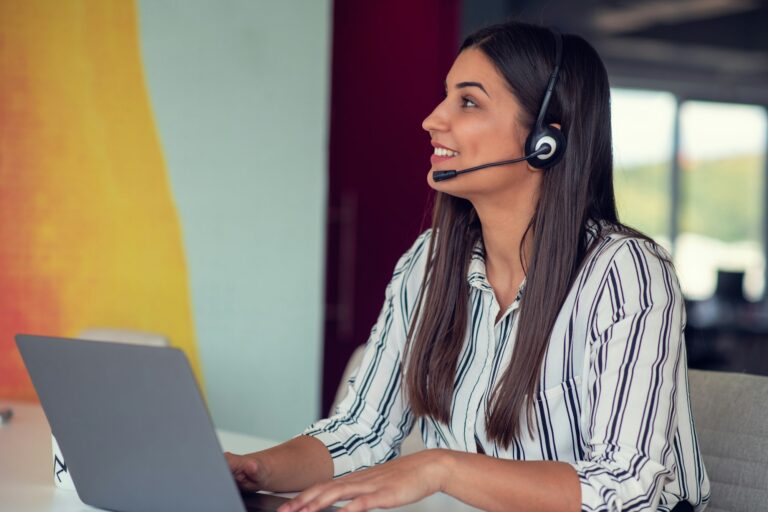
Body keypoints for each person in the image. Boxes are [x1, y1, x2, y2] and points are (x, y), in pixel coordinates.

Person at [226, 20, 710, 512]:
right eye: (446, 97)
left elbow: (627, 490)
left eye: (469, 101)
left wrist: (440, 467)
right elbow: (360, 432)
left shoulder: (625, 272)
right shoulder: (429, 263)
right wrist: (252, 469)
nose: (433, 120)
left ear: (545, 141)